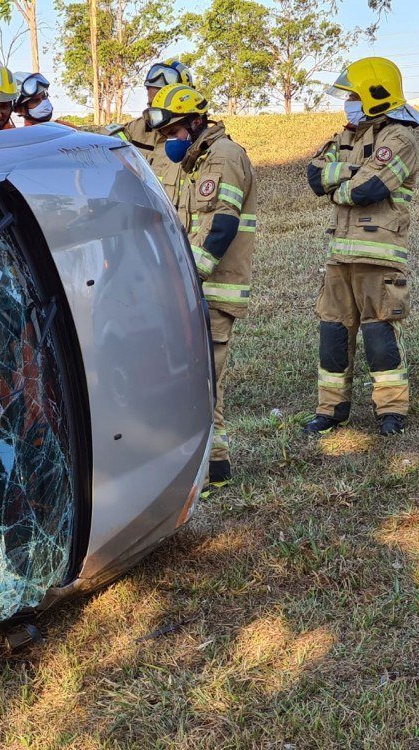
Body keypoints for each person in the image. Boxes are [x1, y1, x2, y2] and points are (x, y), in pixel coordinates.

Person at [303, 57, 419, 437]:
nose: (349, 102)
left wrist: (341, 180)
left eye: (354, 95)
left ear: (375, 96)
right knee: (333, 334)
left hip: (379, 254)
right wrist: (351, 174)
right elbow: (313, 175)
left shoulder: (399, 139)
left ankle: (391, 411)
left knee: (380, 336)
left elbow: (370, 189)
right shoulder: (347, 136)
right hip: (339, 255)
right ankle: (331, 410)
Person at [146, 84, 257, 485]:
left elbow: (220, 227)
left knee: (203, 385)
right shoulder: (198, 161)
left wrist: (187, 278)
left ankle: (209, 473)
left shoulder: (222, 157)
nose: (170, 142)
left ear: (196, 123)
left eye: (174, 132)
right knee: (200, 383)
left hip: (211, 291)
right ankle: (215, 467)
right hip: (195, 291)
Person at [108, 59, 193, 198]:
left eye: (162, 108)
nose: (156, 116)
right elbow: (97, 137)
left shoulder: (199, 138)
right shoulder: (137, 129)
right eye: (152, 106)